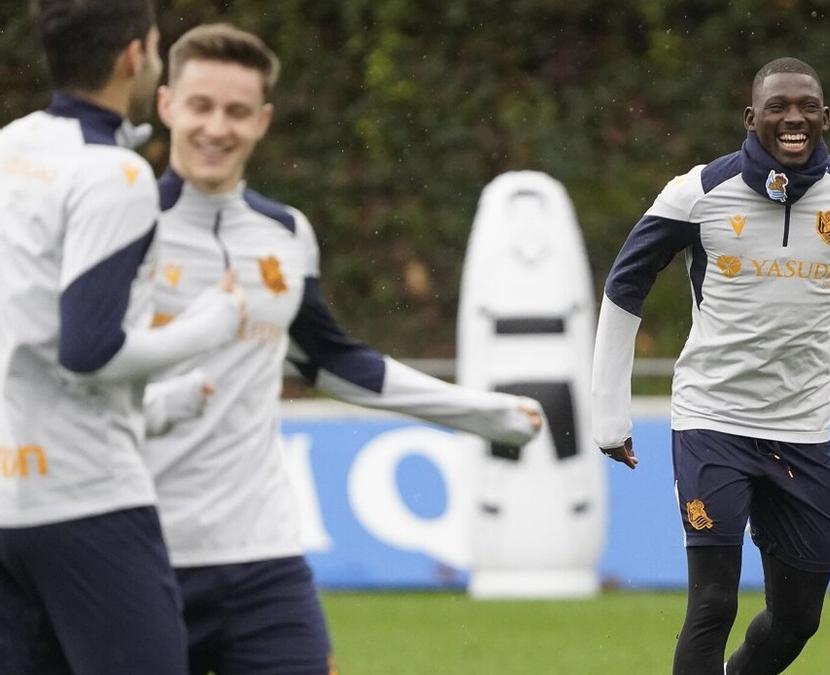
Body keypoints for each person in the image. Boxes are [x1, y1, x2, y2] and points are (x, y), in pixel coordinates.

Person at [143, 23, 545, 674]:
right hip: (141, 556)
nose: (217, 127)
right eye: (201, 106)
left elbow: (332, 360)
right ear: (166, 105)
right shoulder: (121, 225)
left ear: (263, 120)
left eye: (237, 111)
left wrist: (479, 411)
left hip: (264, 556)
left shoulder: (285, 233)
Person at [592, 57, 830, 674]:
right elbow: (625, 285)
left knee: (798, 618)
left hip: (802, 430)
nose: (794, 119)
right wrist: (609, 413)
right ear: (750, 118)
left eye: (807, 107)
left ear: (826, 117)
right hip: (712, 421)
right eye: (778, 107)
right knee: (713, 602)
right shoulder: (697, 193)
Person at [0, 2, 246, 674]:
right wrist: (208, 327)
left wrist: (157, 404)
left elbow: (29, 329)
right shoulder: (117, 175)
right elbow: (87, 350)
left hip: (10, 505)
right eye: (158, 46)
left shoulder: (13, 146)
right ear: (133, 57)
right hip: (90, 501)